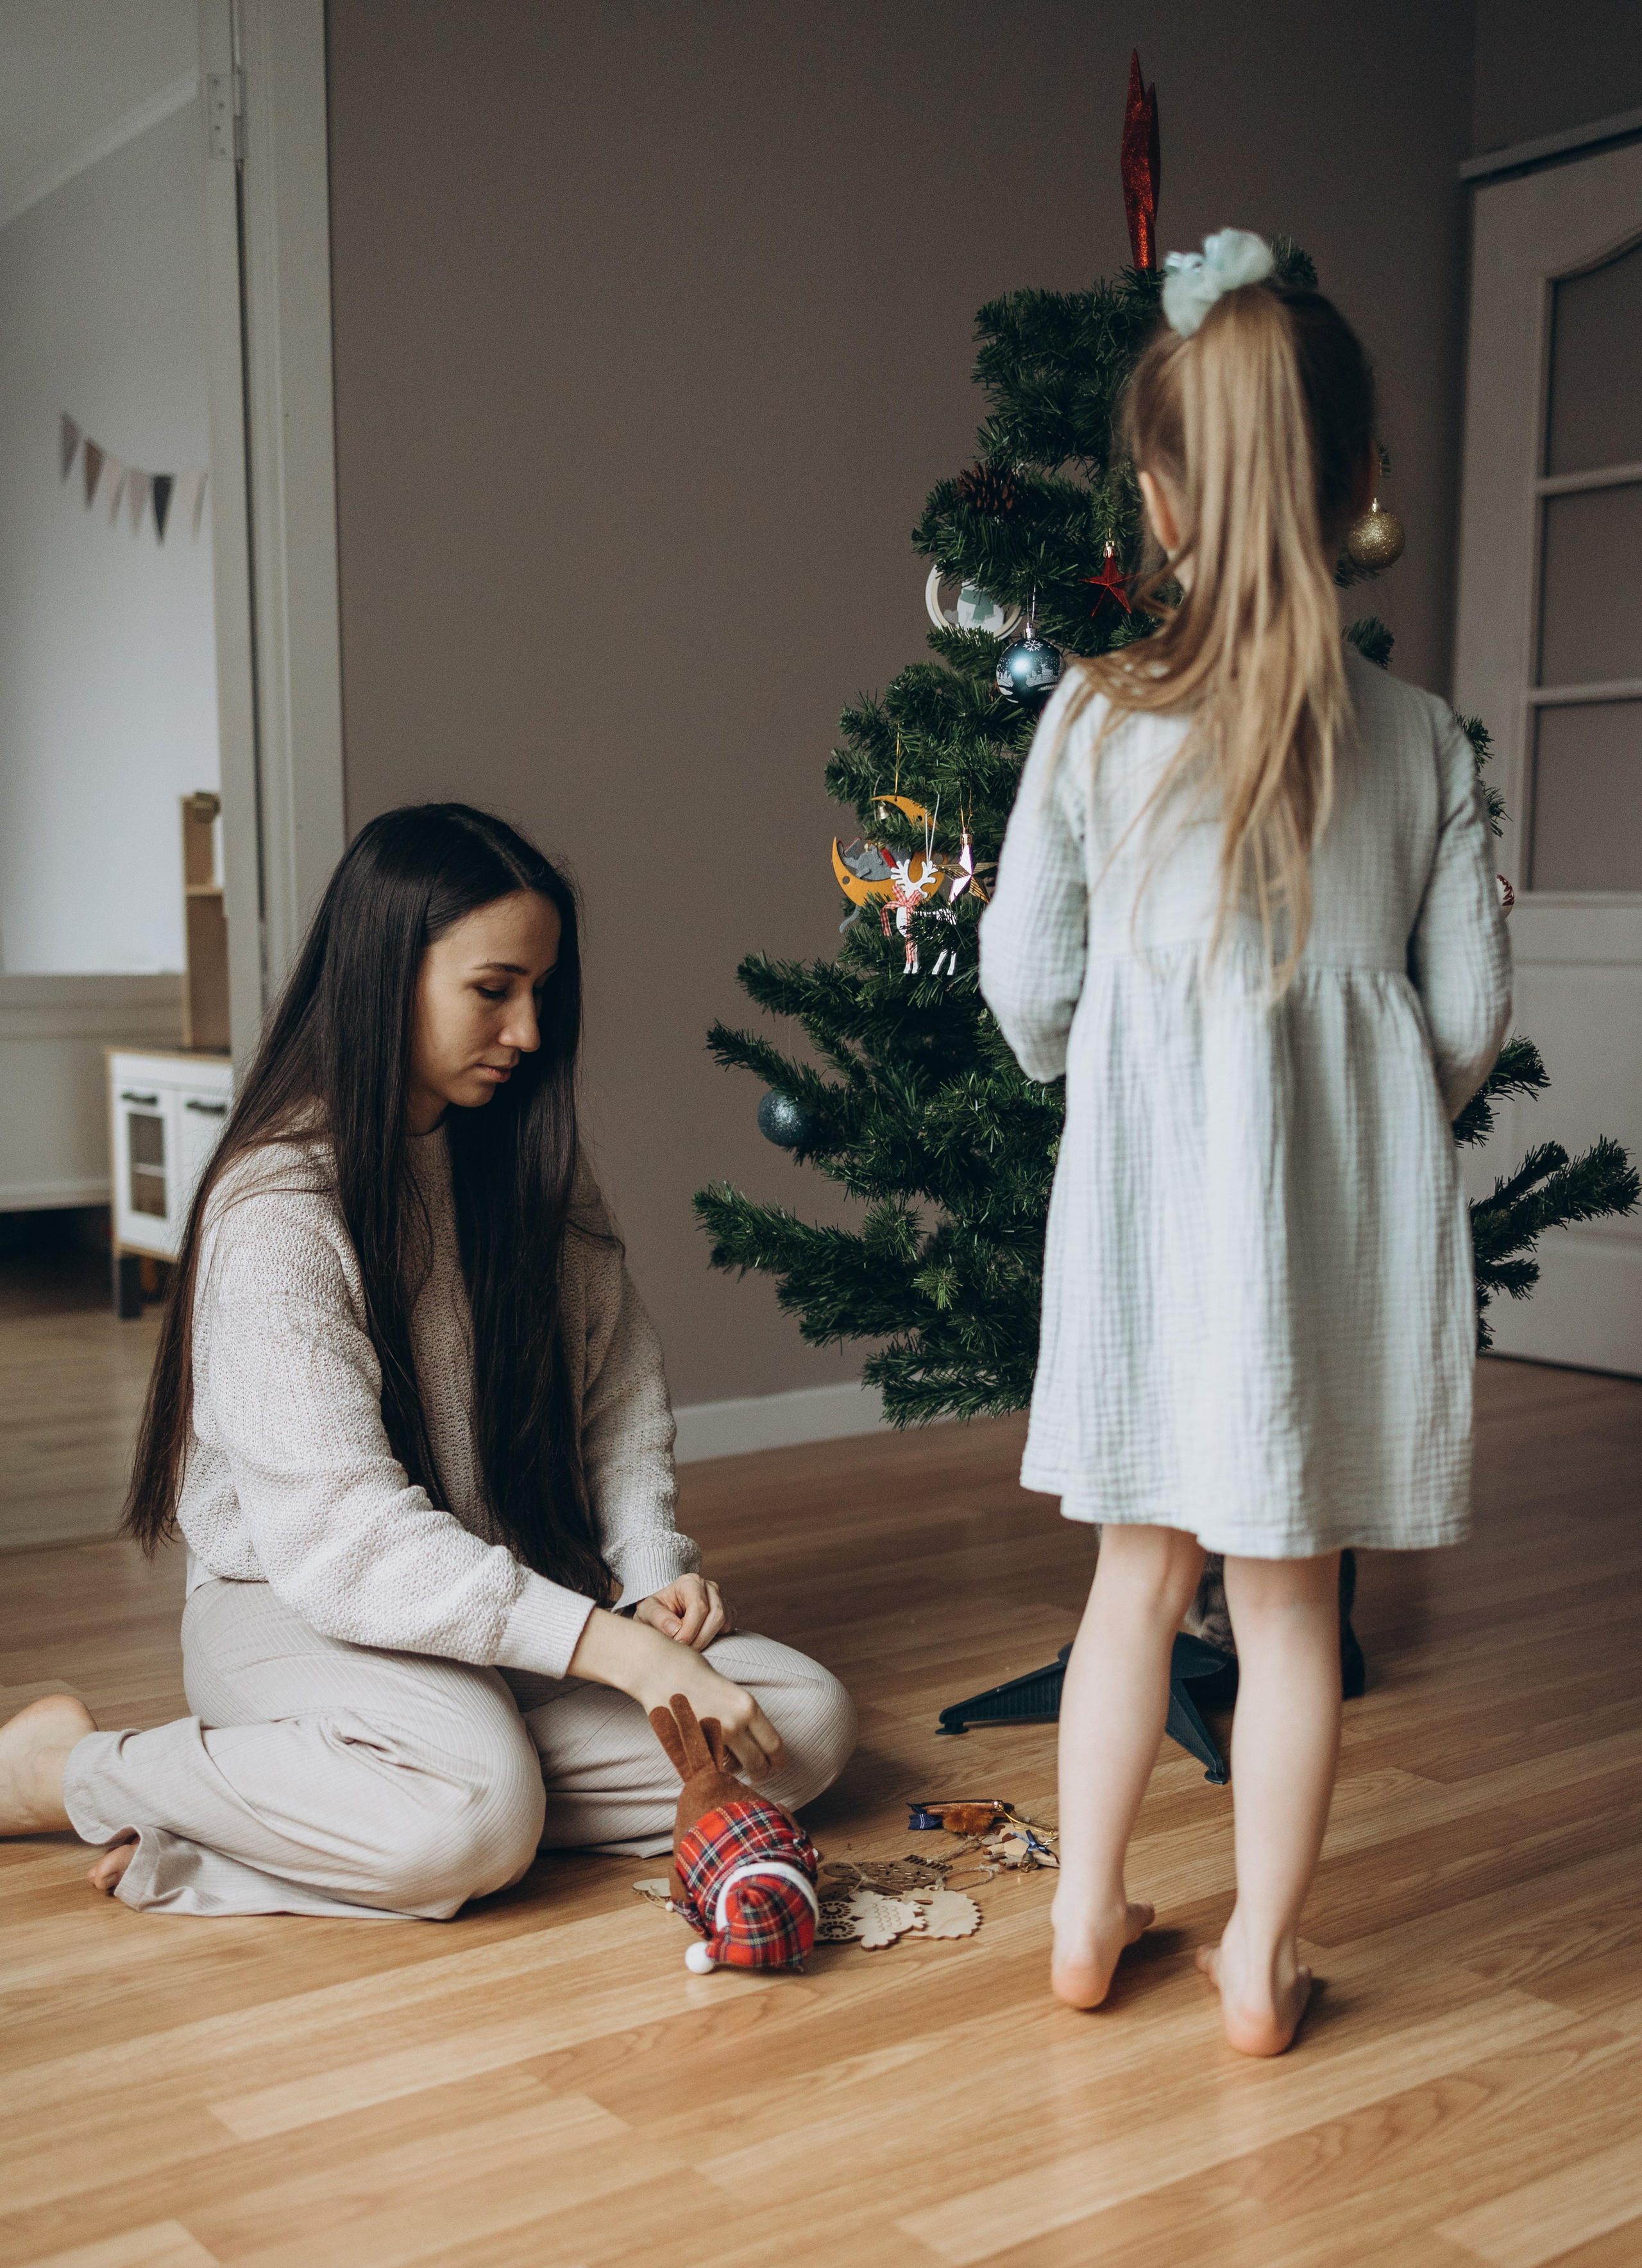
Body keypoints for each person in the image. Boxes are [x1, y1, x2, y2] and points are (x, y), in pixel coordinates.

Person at [979, 232, 1511, 2054]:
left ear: (1162, 498)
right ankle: (1256, 1965)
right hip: (1330, 1248)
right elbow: (1465, 1020)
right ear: (1365, 484)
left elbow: (1026, 985)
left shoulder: (1094, 720)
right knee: (1295, 1610)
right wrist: (1358, 1127)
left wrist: (1130, 1083)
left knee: (1138, 1577)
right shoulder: (1429, 745)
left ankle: (1077, 1919)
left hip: (1149, 1229)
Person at [0, 806, 856, 1918]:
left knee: (806, 1726)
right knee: (481, 1812)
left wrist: (650, 1573)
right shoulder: (278, 1207)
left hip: (490, 1608)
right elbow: (347, 1545)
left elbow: (620, 1393)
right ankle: (68, 1772)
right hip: (300, 1606)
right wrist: (624, 1659)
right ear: (384, 977)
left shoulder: (522, 1157)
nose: (530, 1032)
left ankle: (320, 1819)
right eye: (493, 990)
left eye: (542, 991)